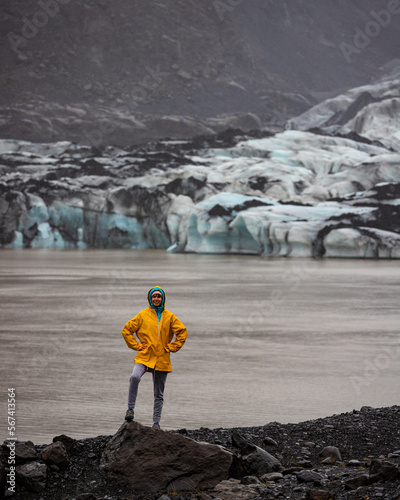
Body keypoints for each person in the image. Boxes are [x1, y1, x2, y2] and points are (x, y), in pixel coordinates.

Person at [121, 286, 188, 429]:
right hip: (144, 355)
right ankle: (130, 409)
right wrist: (137, 346)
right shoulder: (142, 315)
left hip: (162, 358)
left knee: (158, 394)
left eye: (158, 296)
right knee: (134, 377)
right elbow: (126, 330)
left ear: (163, 298)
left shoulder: (170, 316)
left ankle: (156, 423)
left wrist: (173, 346)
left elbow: (182, 332)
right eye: (154, 296)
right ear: (149, 298)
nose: (156, 299)